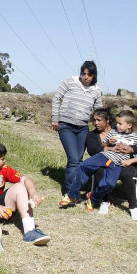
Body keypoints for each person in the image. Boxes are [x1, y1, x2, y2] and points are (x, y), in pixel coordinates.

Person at [59, 110, 137, 220]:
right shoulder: (113, 132)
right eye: (117, 123)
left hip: (117, 163)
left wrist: (129, 160)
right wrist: (108, 143)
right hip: (104, 156)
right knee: (83, 166)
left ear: (129, 125)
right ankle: (72, 195)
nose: (117, 125)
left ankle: (93, 197)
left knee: (110, 184)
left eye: (120, 123)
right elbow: (103, 145)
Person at [51, 61, 103, 195]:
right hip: (66, 126)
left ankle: (75, 188)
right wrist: (55, 119)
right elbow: (57, 98)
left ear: (94, 76)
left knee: (79, 160)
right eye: (84, 74)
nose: (86, 77)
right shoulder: (70, 82)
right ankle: (69, 192)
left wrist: (102, 128)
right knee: (73, 159)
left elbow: (99, 111)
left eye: (89, 75)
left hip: (83, 128)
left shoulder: (96, 91)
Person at [84, 108, 135, 216]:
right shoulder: (92, 135)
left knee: (126, 173)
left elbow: (136, 146)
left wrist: (131, 150)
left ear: (107, 121)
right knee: (100, 170)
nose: (96, 123)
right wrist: (107, 147)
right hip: (104, 163)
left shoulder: (119, 130)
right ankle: (105, 200)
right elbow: (93, 151)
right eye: (94, 120)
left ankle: (133, 207)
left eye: (99, 120)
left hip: (123, 163)